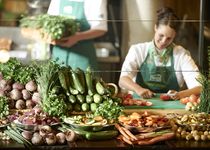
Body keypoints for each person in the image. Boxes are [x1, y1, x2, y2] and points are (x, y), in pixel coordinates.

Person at [118, 7, 202, 100]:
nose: (163, 41)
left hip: (171, 109)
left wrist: (180, 94)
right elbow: (123, 80)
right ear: (155, 28)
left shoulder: (181, 54)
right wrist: (138, 89)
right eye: (161, 35)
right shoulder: (138, 50)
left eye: (169, 38)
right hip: (139, 104)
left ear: (175, 36)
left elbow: (199, 87)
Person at [47, 0, 108, 71]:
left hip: (82, 61)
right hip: (58, 58)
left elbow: (101, 29)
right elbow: (49, 22)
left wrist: (77, 37)